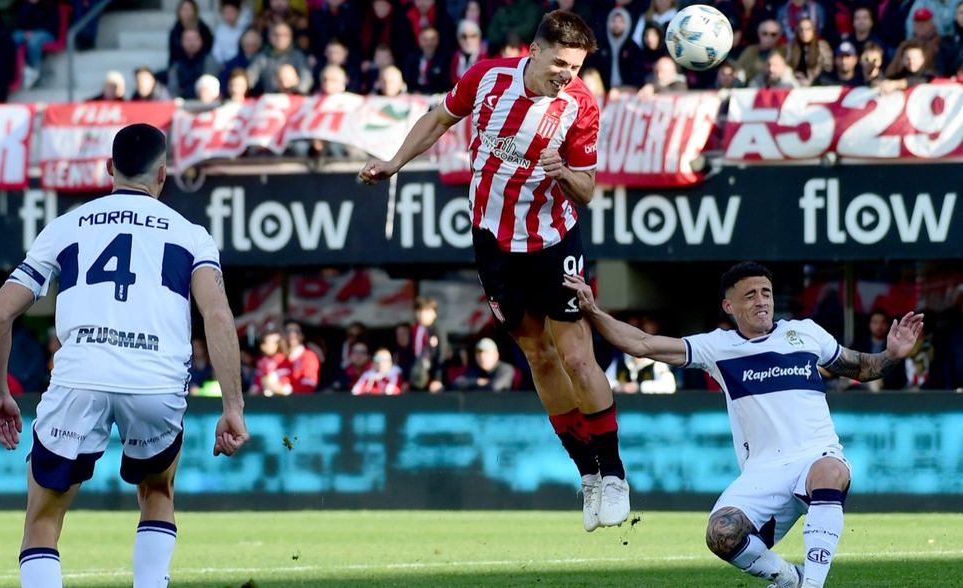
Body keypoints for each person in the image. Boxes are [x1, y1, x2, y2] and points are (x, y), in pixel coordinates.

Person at [359, 10, 630, 532]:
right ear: (534, 50)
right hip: (493, 240)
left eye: (574, 67)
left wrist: (565, 173)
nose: (566, 75)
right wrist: (394, 162)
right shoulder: (487, 78)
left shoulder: (580, 106)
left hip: (554, 238)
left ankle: (614, 473)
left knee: (576, 356)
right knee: (537, 355)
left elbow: (589, 189)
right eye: (559, 63)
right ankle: (587, 474)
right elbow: (439, 118)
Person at [0, 124, 248, 588]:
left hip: (80, 376)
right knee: (158, 492)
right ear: (163, 174)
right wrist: (233, 406)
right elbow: (218, 317)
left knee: (43, 517)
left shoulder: (65, 226)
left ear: (109, 168)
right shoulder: (191, 236)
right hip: (156, 383)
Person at [563, 262, 924, 588]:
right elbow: (642, 344)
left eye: (765, 292)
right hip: (763, 471)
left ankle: (813, 585)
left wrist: (891, 354)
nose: (761, 301)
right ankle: (788, 579)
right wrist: (593, 311)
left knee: (830, 471)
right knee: (720, 534)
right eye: (749, 295)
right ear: (729, 306)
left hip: (816, 454)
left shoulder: (806, 333)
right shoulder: (717, 348)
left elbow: (860, 366)